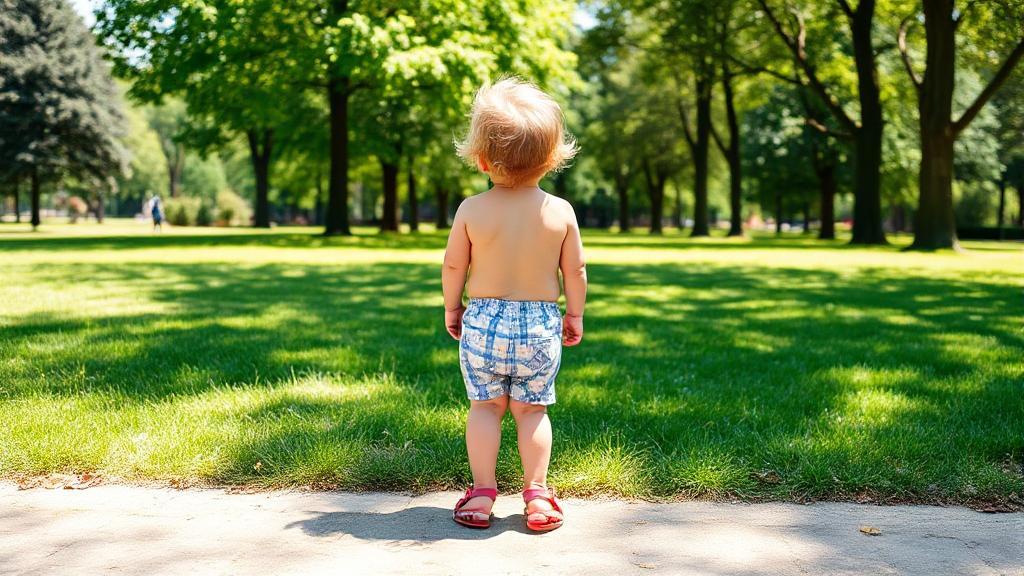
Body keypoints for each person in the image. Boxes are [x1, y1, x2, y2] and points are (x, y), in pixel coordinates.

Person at [442, 78, 587, 532]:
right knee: (532, 410)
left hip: (483, 321)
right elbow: (576, 272)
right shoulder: (560, 211)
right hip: (540, 327)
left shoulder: (471, 208)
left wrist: (452, 308)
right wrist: (575, 313)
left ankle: (482, 494)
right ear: (551, 159)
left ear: (481, 158)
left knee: (486, 408)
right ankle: (538, 496)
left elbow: (453, 268)